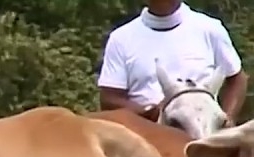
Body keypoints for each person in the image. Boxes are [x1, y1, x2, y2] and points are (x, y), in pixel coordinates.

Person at [97, 1, 247, 123]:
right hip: (146, 133)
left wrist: (227, 119)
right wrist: (147, 111)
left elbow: (237, 78)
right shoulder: (121, 38)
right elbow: (109, 98)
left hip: (203, 130)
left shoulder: (209, 29)